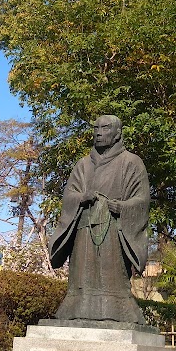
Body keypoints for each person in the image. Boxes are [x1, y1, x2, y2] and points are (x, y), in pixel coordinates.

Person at [49, 115, 150, 324]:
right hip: (83, 231)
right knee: (81, 279)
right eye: (96, 128)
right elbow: (69, 195)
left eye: (104, 129)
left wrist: (122, 207)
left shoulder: (131, 162)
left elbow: (142, 200)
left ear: (117, 134)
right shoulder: (83, 165)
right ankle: (76, 308)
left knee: (112, 277)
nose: (98, 133)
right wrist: (81, 197)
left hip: (113, 232)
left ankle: (117, 309)